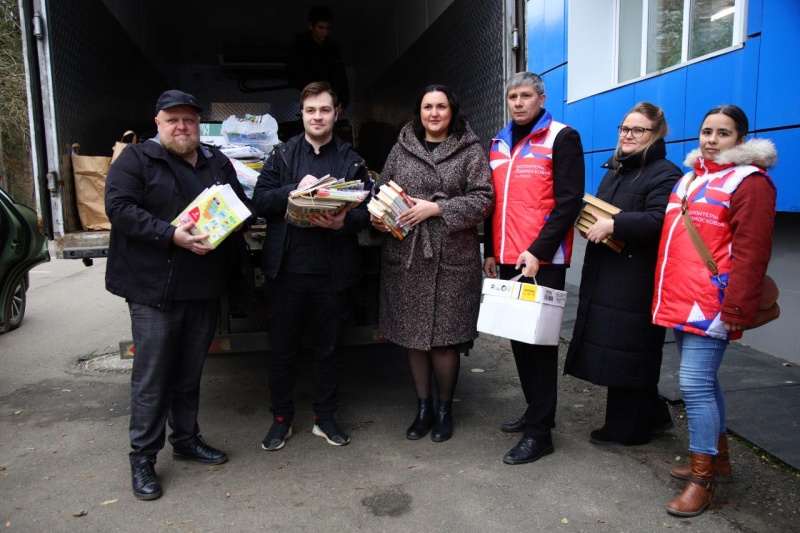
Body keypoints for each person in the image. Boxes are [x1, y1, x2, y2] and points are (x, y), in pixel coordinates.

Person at [105, 90, 251, 500]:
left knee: (189, 374)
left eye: (188, 119)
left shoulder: (216, 162)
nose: (181, 126)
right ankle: (143, 458)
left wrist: (236, 221)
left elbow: (240, 203)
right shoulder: (135, 159)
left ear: (198, 124)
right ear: (158, 122)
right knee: (153, 378)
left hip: (202, 286)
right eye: (173, 120)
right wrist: (171, 235)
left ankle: (186, 441)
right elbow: (117, 207)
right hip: (153, 288)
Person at [652, 105, 777, 517]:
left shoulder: (750, 182)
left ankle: (702, 480)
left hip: (712, 304)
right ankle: (716, 459)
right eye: (707, 131)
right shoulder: (689, 179)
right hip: (679, 297)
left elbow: (752, 252)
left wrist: (737, 307)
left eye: (723, 133)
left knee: (694, 385)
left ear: (740, 139)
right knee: (703, 382)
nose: (711, 139)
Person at [370, 85, 494, 442]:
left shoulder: (470, 150)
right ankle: (422, 406)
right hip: (408, 253)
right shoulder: (402, 146)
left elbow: (484, 199)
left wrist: (437, 208)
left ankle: (444, 409)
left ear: (452, 111)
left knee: (444, 340)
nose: (434, 113)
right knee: (414, 338)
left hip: (452, 256)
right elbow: (382, 189)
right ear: (419, 112)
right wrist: (379, 217)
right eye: (428, 107)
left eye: (441, 106)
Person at [252, 81, 368, 451]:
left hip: (333, 273)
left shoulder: (351, 159)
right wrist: (292, 191)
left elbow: (368, 210)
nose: (318, 116)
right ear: (301, 114)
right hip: (287, 271)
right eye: (310, 110)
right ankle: (281, 419)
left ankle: (325, 417)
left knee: (328, 349)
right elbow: (260, 200)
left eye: (325, 110)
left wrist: (343, 223)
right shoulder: (282, 156)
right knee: (283, 350)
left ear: (337, 113)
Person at [563, 102, 681, 446]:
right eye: (624, 129)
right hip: (610, 271)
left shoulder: (664, 172)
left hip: (636, 277)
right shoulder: (617, 170)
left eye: (638, 130)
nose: (628, 135)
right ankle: (654, 417)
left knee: (631, 351)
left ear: (655, 134)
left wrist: (615, 224)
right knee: (623, 350)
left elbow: (662, 220)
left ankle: (628, 430)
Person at [483, 72, 585, 464]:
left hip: (542, 259)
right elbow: (493, 203)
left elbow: (569, 201)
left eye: (526, 95)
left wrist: (539, 251)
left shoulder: (562, 137)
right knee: (518, 339)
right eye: (513, 96)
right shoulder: (498, 143)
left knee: (538, 345)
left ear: (541, 99)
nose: (519, 102)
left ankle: (540, 432)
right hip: (507, 256)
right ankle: (537, 411)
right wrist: (490, 249)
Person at [287, 5, 350, 112]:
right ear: (311, 26)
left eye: (327, 28)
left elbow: (341, 77)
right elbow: (294, 76)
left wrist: (343, 103)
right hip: (311, 99)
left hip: (330, 102)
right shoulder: (300, 46)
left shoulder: (332, 48)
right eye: (321, 28)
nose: (324, 32)